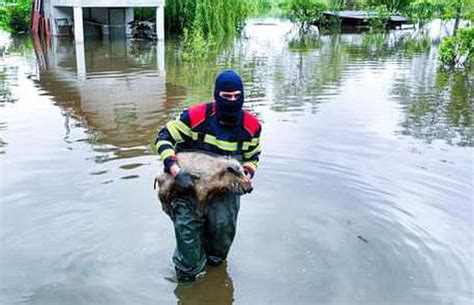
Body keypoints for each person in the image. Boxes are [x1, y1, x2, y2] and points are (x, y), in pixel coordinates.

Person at [154, 70, 262, 282]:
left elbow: (253, 156)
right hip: (185, 185)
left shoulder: (251, 126)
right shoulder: (195, 116)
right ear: (216, 95)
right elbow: (163, 138)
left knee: (220, 242)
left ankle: (214, 279)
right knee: (188, 246)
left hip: (224, 187)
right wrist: (176, 170)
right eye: (226, 96)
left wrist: (244, 175)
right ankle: (187, 282)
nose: (231, 101)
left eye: (236, 96)